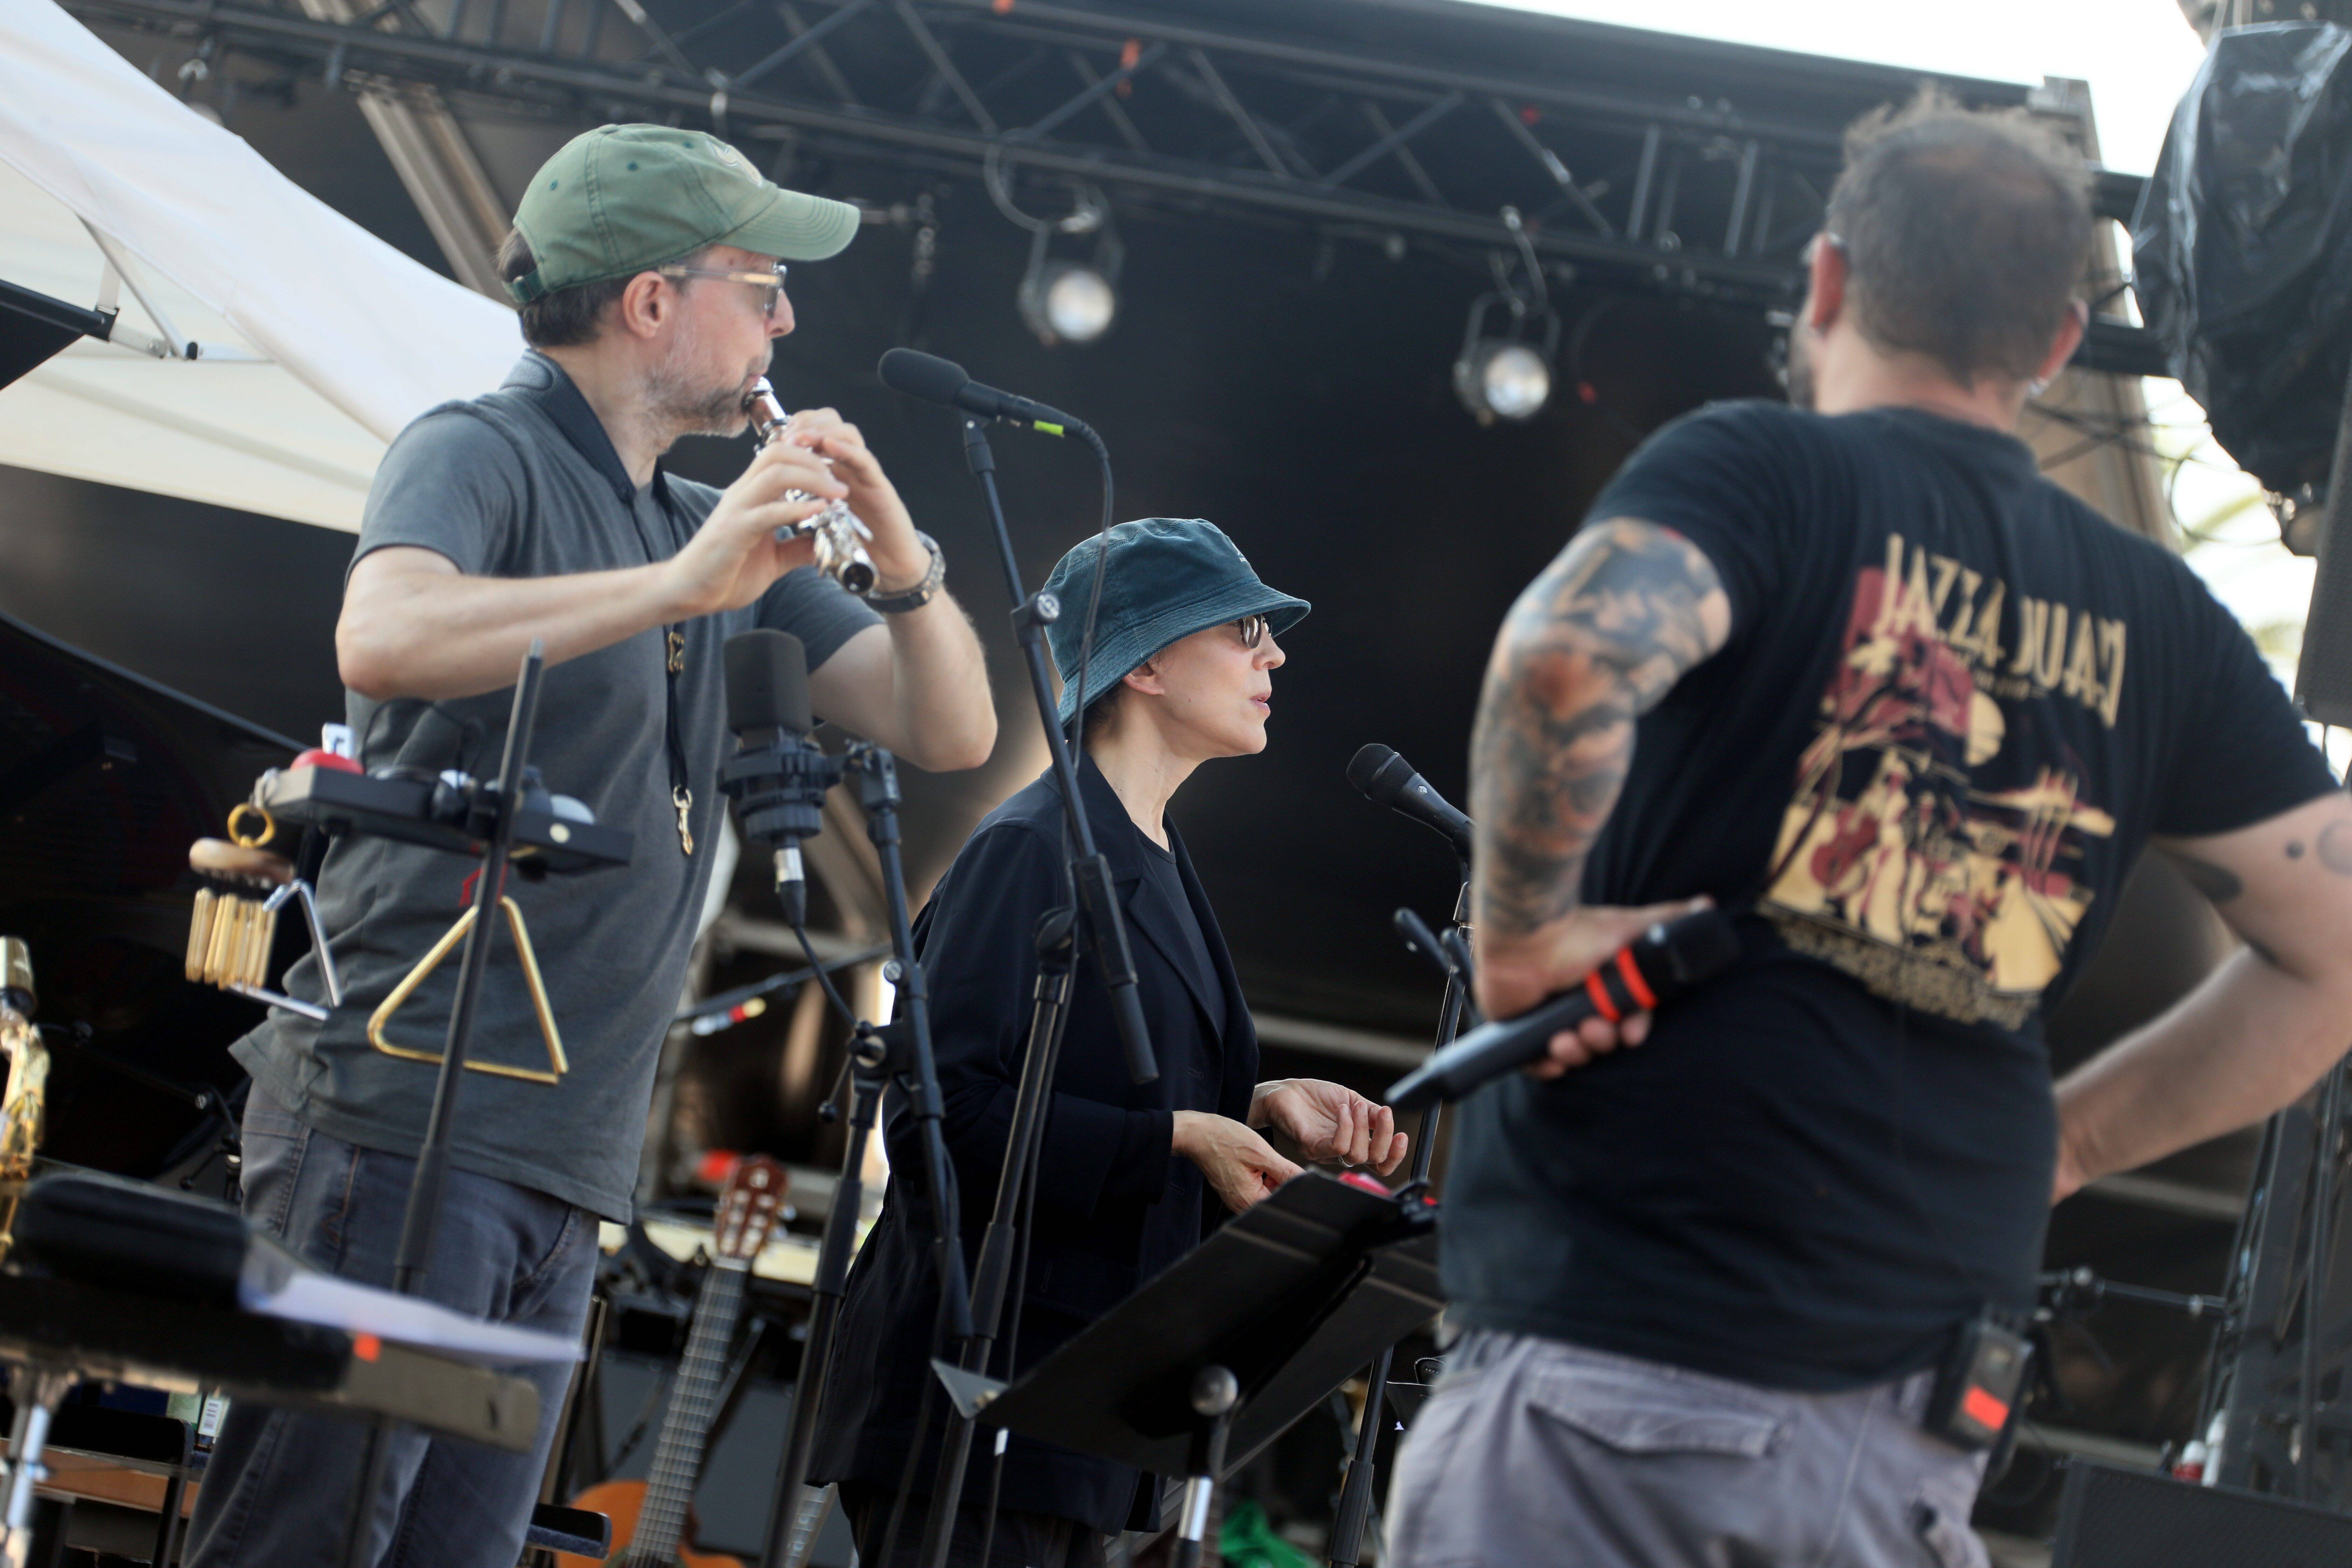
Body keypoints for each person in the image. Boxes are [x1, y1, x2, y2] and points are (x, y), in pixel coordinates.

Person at [1388, 93, 2352, 1568]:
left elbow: (1568, 658)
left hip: (1620, 1378)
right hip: (1903, 1431)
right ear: (2053, 346)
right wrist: (2067, 1140)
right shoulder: (2160, 617)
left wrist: (1521, 937)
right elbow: (2333, 956)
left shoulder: (1763, 472)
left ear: (1830, 281)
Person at [188, 124, 996, 1568]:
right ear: (650, 302)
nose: (788, 319)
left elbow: (950, 732)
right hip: (402, 1119)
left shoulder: (701, 523)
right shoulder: (479, 447)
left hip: (565, 1156)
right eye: (763, 284)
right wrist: (680, 585)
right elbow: (382, 633)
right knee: (299, 1546)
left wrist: (905, 553)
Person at [811, 518, 1409, 1567]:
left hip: (1074, 1419)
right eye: (1246, 630)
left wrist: (1250, 1107)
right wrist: (1181, 1137)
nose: (1275, 655)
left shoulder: (1157, 859)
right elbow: (937, 1124)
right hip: (974, 1400)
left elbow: (1089, 1082)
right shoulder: (1027, 849)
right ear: (1147, 663)